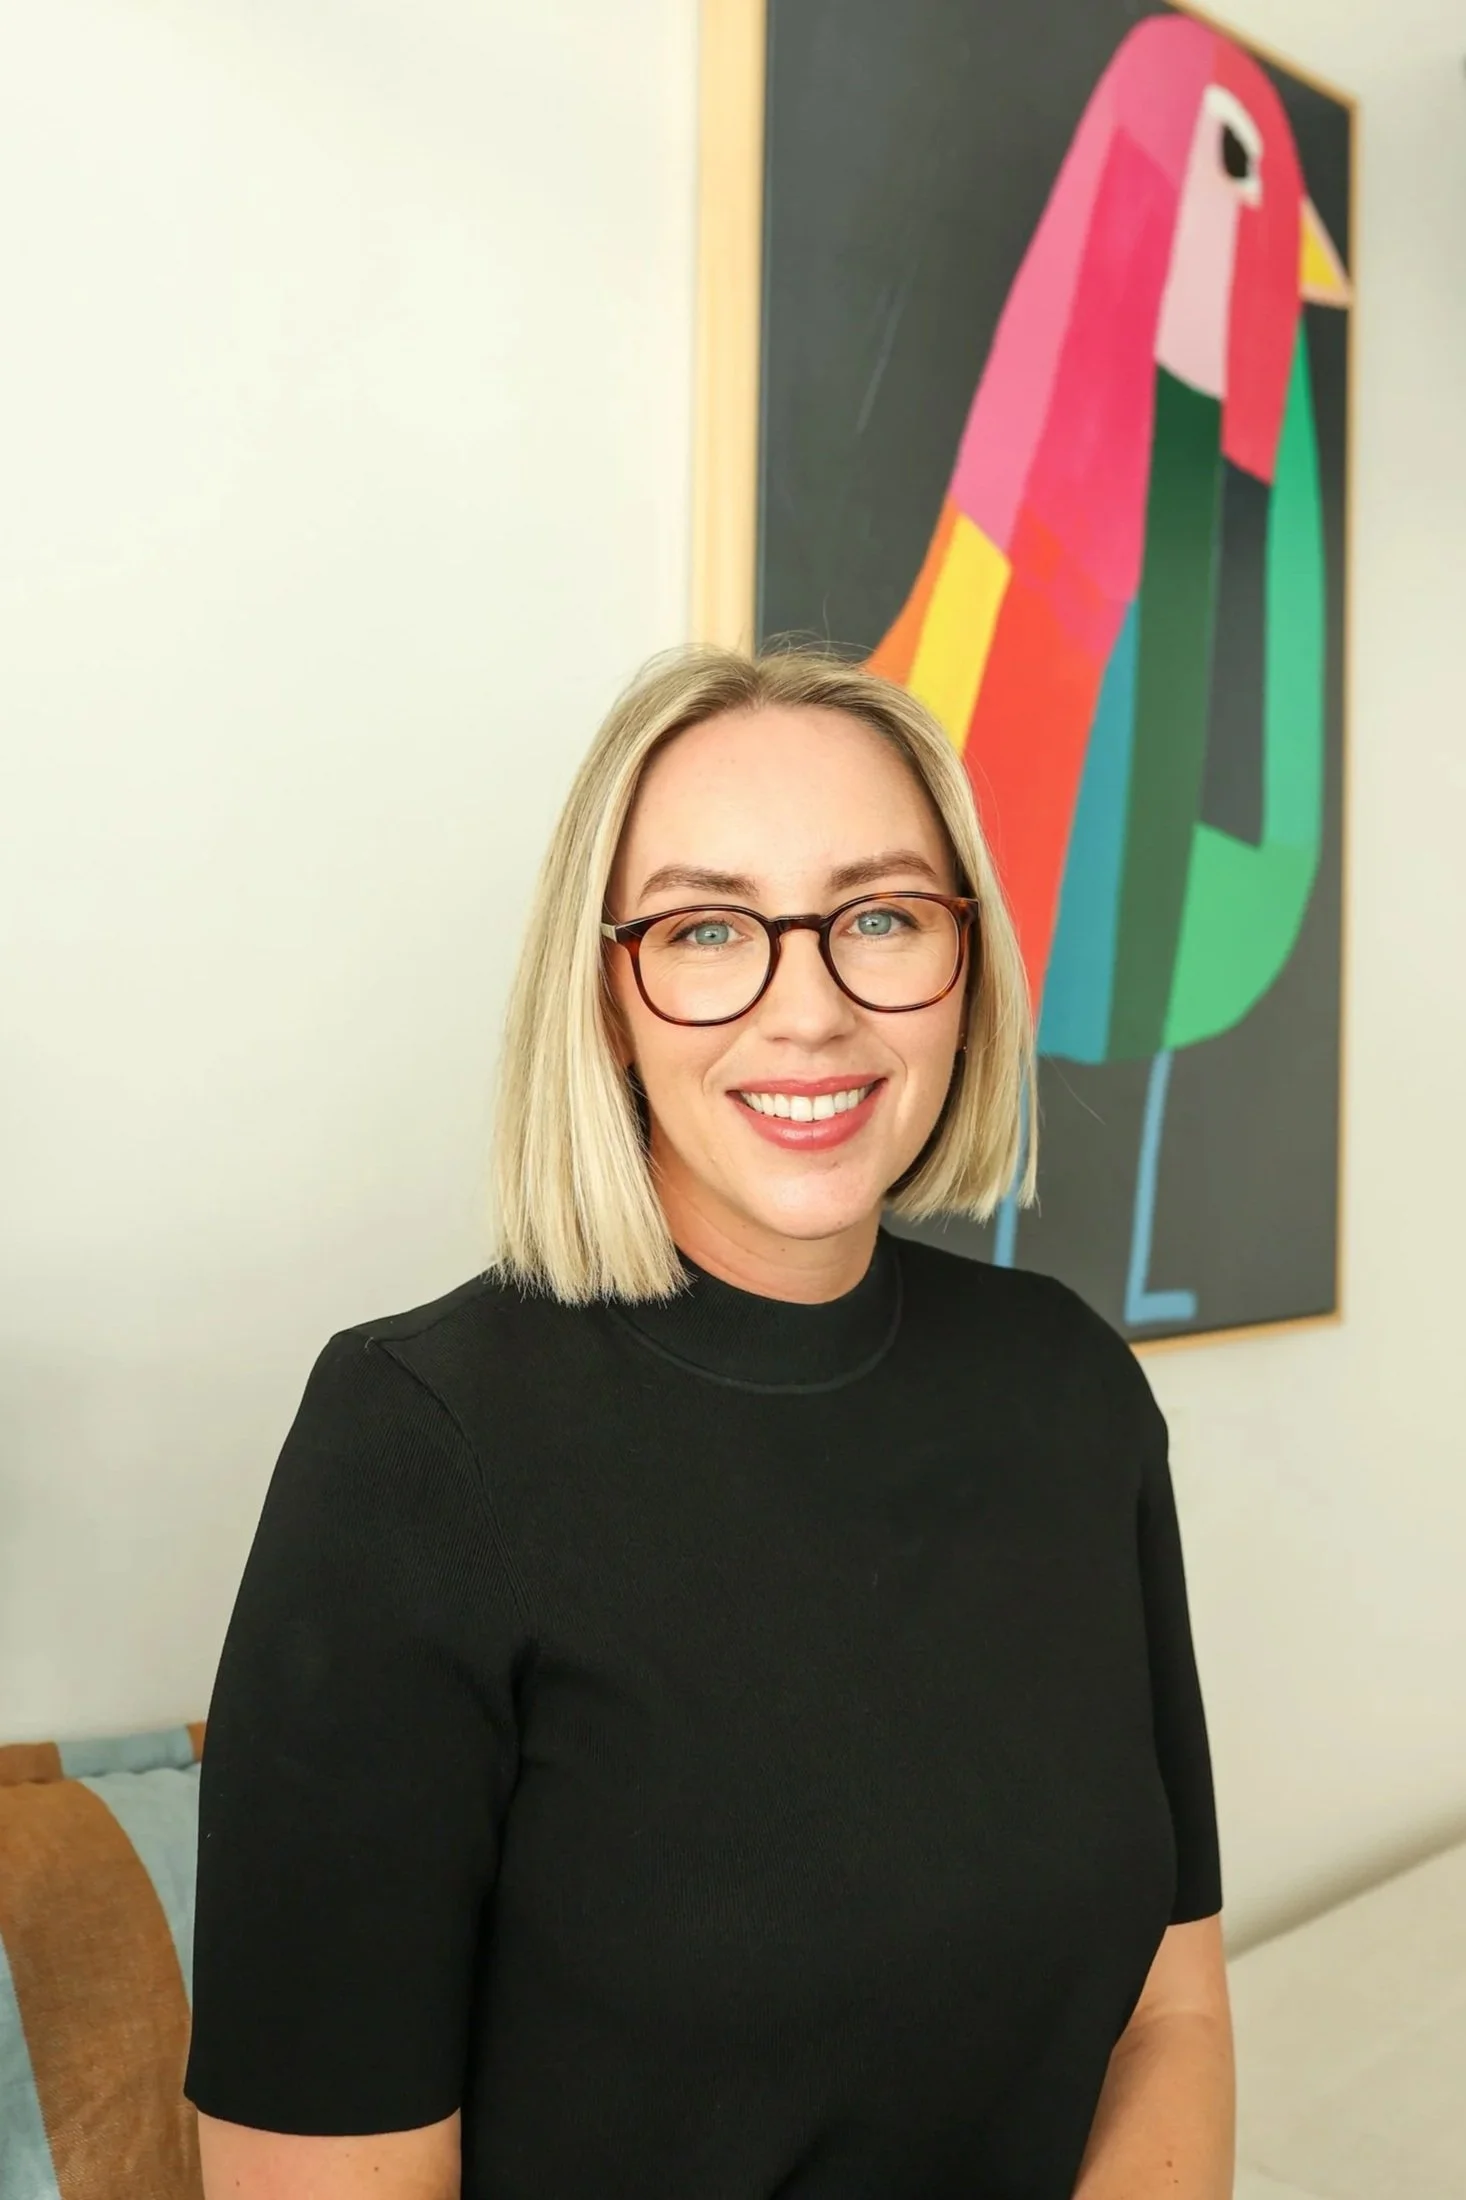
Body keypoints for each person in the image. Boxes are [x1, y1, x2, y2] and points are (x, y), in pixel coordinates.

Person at [184, 647, 1233, 2199]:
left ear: (965, 967)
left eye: (878, 916)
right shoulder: (412, 1446)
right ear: (606, 994)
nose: (807, 1010)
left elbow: (1172, 2009)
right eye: (705, 930)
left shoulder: (1070, 1390)